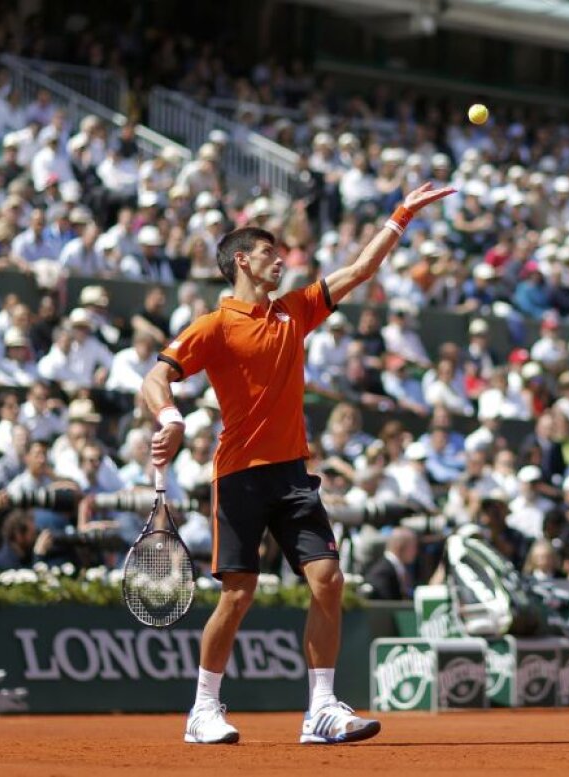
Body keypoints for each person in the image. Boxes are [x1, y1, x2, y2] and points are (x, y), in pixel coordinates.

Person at [141, 181, 454, 745]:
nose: (281, 259)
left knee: (328, 579)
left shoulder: (295, 311)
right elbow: (156, 376)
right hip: (238, 474)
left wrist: (402, 214)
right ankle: (203, 709)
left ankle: (322, 709)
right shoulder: (214, 326)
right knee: (238, 594)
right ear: (241, 261)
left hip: (292, 473)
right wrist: (170, 418)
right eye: (269, 252)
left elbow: (360, 270)